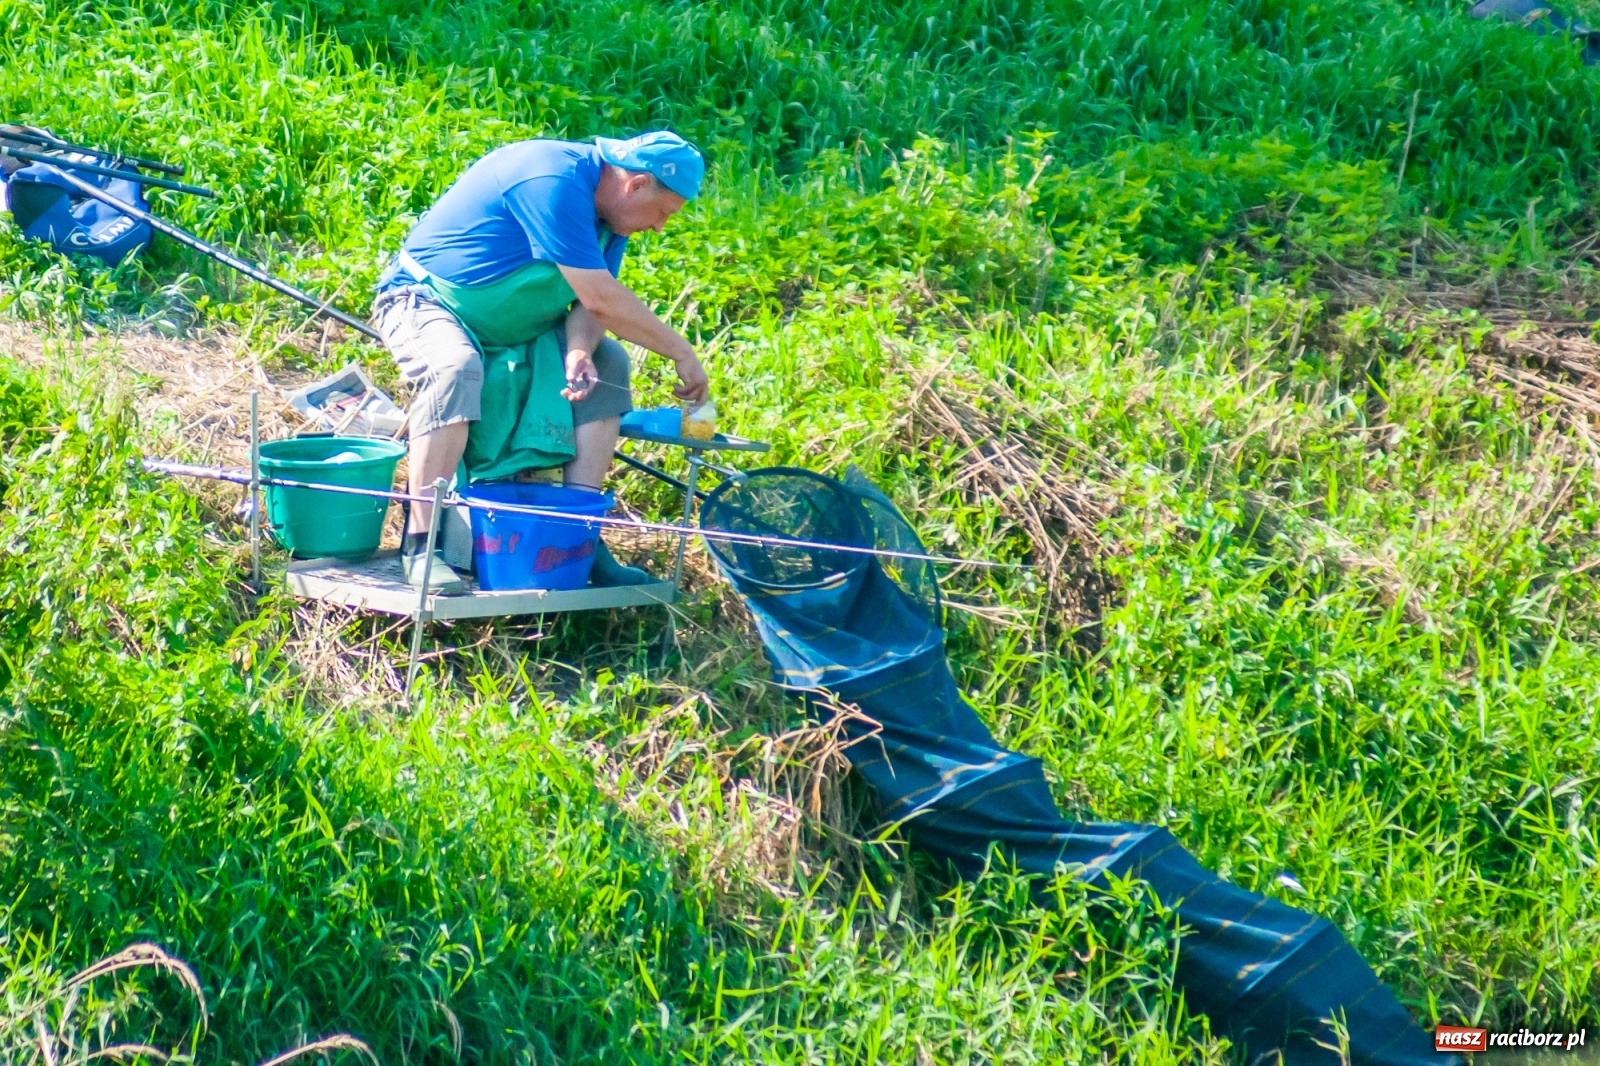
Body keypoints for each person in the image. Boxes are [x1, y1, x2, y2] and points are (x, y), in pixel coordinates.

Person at [372, 130, 711, 592]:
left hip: (518, 324)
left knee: (607, 364)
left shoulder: (611, 216)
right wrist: (681, 351)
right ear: (636, 185)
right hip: (427, 302)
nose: (659, 227)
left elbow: (589, 306)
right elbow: (602, 297)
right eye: (662, 213)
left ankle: (577, 537)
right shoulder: (552, 178)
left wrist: (578, 349)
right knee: (453, 367)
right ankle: (421, 544)